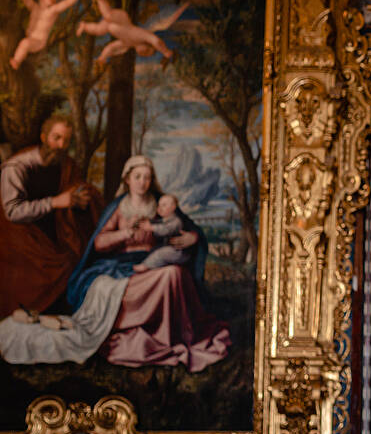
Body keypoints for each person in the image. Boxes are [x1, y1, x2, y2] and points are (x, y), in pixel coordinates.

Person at [0, 154, 229, 368]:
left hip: (154, 263)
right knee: (167, 275)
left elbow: (187, 227)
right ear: (127, 179)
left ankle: (168, 334)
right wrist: (124, 234)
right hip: (121, 266)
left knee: (174, 273)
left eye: (147, 177)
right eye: (137, 177)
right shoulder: (119, 207)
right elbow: (98, 243)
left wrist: (193, 236)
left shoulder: (161, 204)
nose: (143, 182)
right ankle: (151, 332)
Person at [0, 114, 99, 317]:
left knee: (74, 259)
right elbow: (12, 212)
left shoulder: (66, 164)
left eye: (66, 140)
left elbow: (73, 190)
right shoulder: (16, 167)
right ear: (44, 137)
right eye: (56, 138)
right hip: (21, 238)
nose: (61, 145)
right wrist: (55, 202)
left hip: (54, 235)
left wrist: (80, 200)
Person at [131, 194, 195, 273]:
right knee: (154, 250)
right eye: (159, 205)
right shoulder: (164, 220)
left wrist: (152, 228)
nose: (160, 208)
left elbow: (166, 229)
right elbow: (157, 223)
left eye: (164, 205)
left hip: (179, 252)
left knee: (160, 254)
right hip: (170, 249)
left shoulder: (176, 221)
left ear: (173, 207)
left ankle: (145, 266)